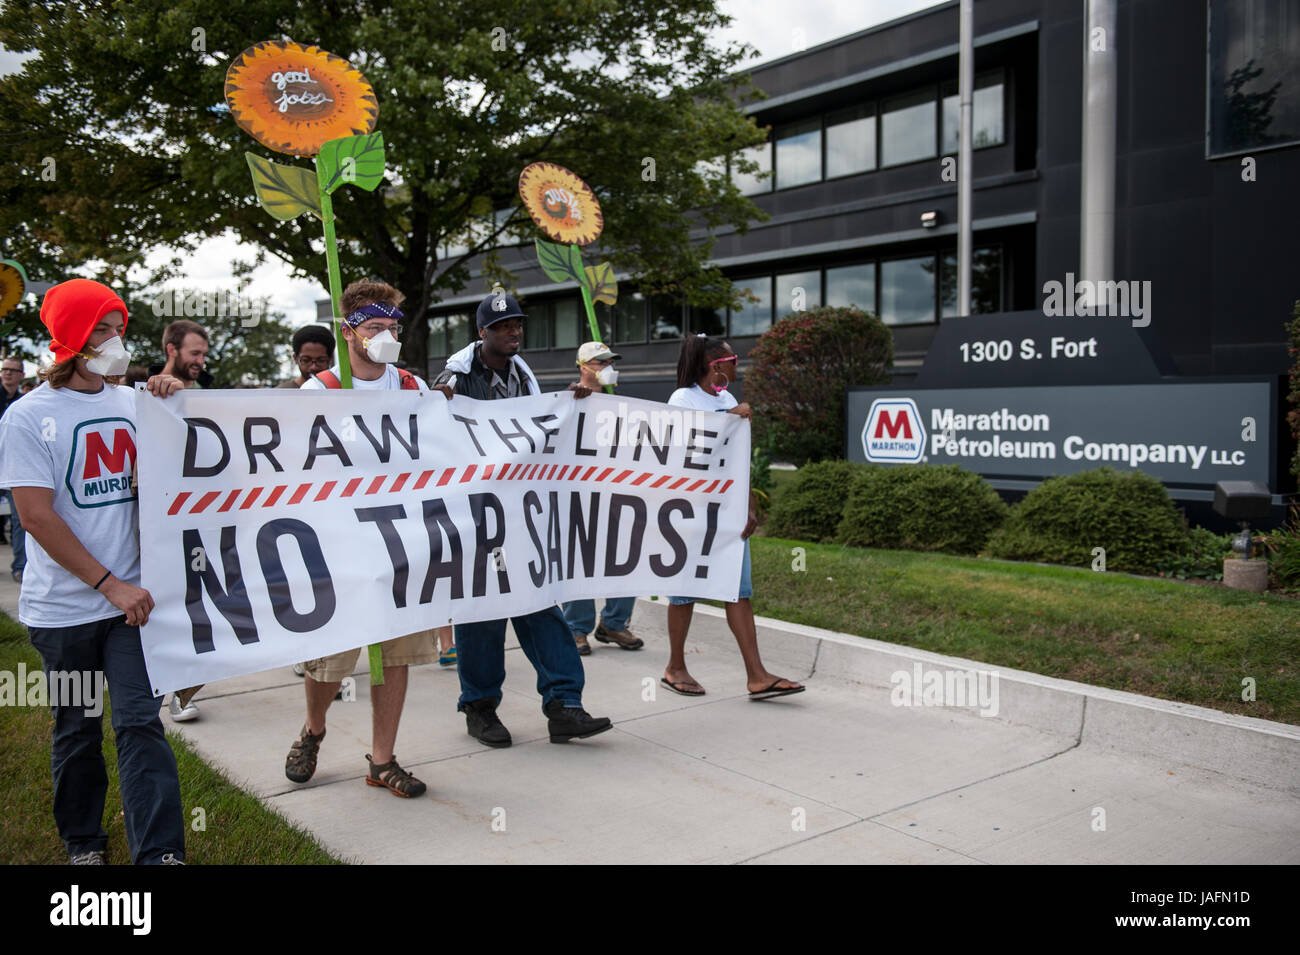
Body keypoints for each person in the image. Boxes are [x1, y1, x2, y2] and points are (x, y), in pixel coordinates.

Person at [0, 278, 187, 864]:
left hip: (131, 611)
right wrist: (110, 584)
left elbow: (181, 467)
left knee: (140, 725)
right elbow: (35, 516)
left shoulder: (134, 402)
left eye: (118, 327)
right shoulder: (28, 417)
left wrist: (173, 398)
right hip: (65, 612)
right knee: (77, 729)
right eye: (101, 329)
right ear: (72, 339)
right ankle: (83, 842)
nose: (114, 340)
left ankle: (158, 855)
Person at [431, 292, 612, 746]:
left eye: (518, 325)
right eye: (503, 326)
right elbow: (433, 440)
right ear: (482, 333)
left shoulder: (523, 374)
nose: (514, 332)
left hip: (520, 517)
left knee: (540, 606)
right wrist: (438, 404)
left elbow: (544, 434)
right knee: (481, 614)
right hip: (474, 519)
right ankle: (480, 708)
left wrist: (576, 402)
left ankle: (564, 705)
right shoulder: (455, 379)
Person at [286, 280, 438, 798]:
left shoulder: (414, 389)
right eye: (376, 327)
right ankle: (314, 728)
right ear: (348, 332)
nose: (387, 335)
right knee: (331, 659)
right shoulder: (320, 391)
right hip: (340, 548)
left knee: (394, 658)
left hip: (401, 545)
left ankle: (383, 759)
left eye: (393, 326)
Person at [661, 334, 804, 701]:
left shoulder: (726, 399)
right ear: (715, 365)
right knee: (684, 591)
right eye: (733, 359)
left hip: (728, 509)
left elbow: (737, 457)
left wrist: (750, 503)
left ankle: (757, 675)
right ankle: (675, 667)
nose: (737, 364)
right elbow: (685, 447)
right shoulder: (683, 398)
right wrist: (729, 416)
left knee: (738, 591)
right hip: (691, 508)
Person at [560, 342, 643, 655]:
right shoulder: (567, 400)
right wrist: (572, 398)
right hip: (580, 495)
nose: (607, 367)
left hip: (617, 494)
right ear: (583, 366)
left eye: (610, 361)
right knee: (581, 561)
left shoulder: (619, 403)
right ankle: (576, 628)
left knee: (627, 556)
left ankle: (614, 623)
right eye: (600, 362)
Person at [152, 320, 211, 722]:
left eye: (204, 355)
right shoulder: (149, 394)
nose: (200, 362)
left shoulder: (205, 395)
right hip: (165, 525)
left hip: (205, 523)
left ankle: (182, 693)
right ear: (171, 350)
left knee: (205, 607)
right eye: (194, 354)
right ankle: (159, 687)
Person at [1, 356, 26, 582]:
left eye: (12, 370)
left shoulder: (24, 402)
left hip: (11, 467)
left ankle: (20, 566)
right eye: (4, 369)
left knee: (19, 519)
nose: (7, 373)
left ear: (21, 375)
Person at [152, 319, 211, 389]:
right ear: (172, 350)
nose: (201, 361)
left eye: (204, 355)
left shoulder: (211, 395)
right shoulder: (140, 392)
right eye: (195, 353)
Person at [277, 324, 334, 388]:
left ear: (331, 359)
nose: (313, 367)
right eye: (306, 360)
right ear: (295, 358)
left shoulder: (340, 391)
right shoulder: (282, 394)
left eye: (321, 360)